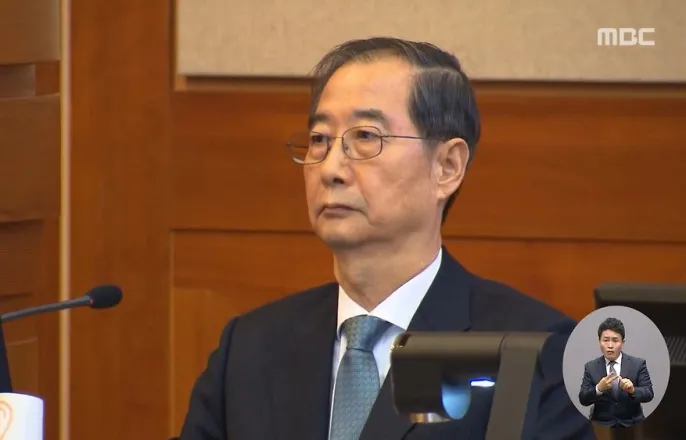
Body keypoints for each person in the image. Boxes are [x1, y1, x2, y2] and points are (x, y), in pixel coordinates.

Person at [176, 37, 595, 440]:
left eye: (365, 137)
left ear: (447, 167)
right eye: (320, 140)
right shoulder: (249, 348)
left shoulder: (535, 351)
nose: (330, 169)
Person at [579, 317, 654, 428]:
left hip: (632, 423)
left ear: (622, 343)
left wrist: (632, 390)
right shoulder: (590, 367)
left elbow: (649, 394)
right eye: (606, 340)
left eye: (615, 340)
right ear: (599, 341)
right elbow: (583, 399)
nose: (610, 345)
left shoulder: (638, 364)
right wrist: (598, 389)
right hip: (602, 426)